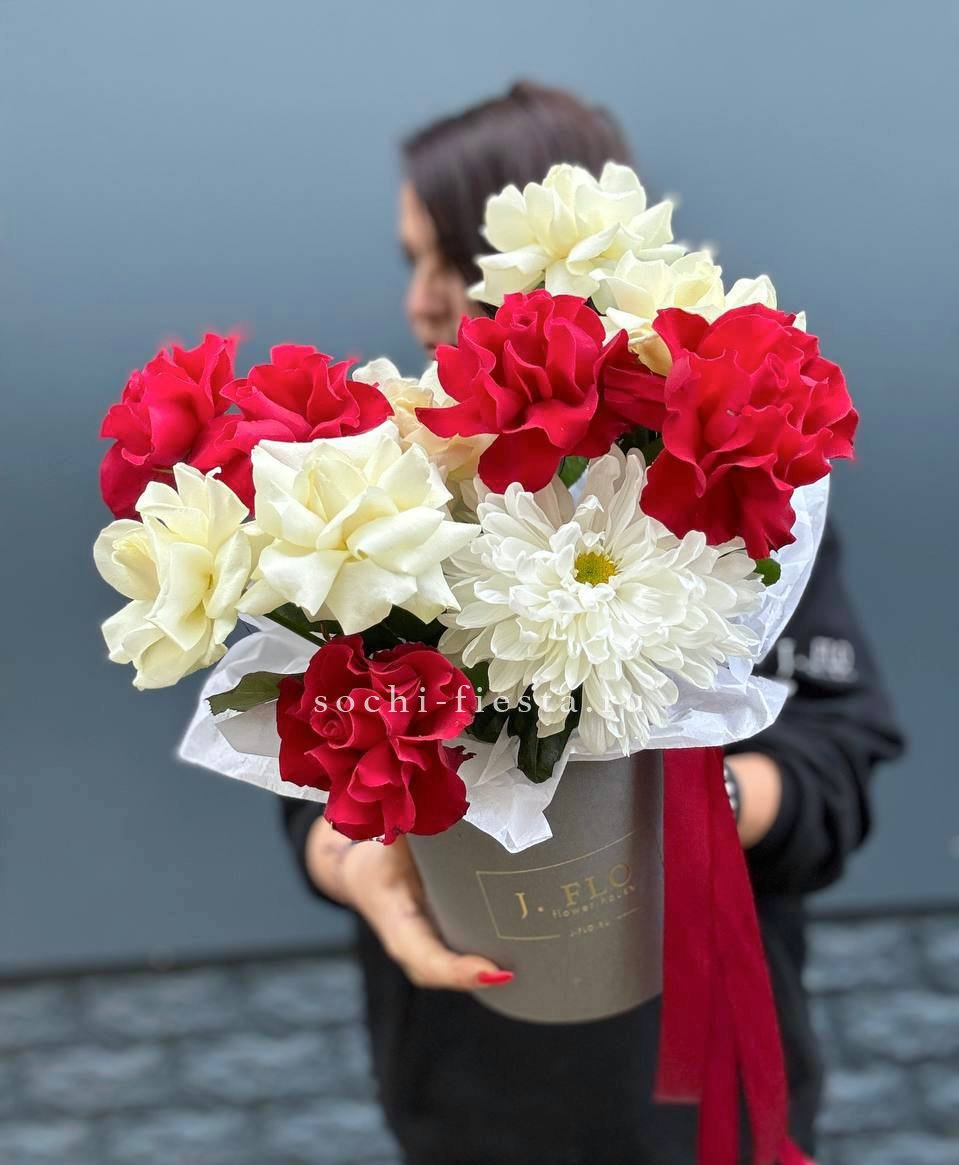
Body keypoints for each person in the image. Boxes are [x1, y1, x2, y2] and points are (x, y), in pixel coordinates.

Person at [282, 82, 905, 1165]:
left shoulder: (727, 495)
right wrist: (355, 862)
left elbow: (838, 757)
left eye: (448, 262)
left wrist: (691, 796)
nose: (421, 303)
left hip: (701, 1098)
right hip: (460, 1090)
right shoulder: (379, 493)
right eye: (409, 262)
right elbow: (303, 755)